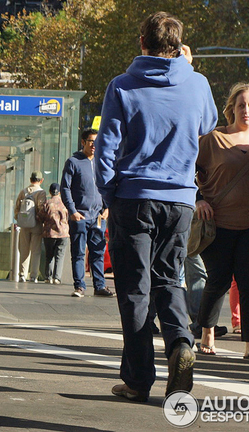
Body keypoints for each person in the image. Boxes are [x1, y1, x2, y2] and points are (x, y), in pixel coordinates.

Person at [94, 11, 218, 401]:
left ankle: (137, 379)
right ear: (178, 45)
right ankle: (181, 342)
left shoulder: (123, 86)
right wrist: (189, 69)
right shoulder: (196, 83)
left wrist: (110, 193)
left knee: (134, 289)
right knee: (169, 278)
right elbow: (208, 122)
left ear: (142, 43)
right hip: (180, 200)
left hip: (133, 198)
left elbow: (105, 149)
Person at [195, 82, 249, 359]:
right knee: (218, 280)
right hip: (218, 225)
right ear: (232, 109)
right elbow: (184, 168)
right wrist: (197, 199)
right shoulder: (214, 139)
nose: (247, 110)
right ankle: (207, 332)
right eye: (242, 105)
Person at [61, 128, 113, 298]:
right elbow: (65, 188)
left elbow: (108, 186)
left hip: (98, 216)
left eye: (96, 142)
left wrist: (107, 208)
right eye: (91, 141)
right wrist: (73, 211)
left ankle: (100, 286)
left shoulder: (102, 162)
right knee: (78, 253)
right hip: (80, 216)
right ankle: (79, 286)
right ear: (83, 142)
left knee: (98, 251)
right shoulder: (73, 162)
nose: (94, 145)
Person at [14, 171, 47, 282]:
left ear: (30, 179)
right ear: (41, 180)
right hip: (36, 225)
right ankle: (33, 276)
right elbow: (42, 209)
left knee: (24, 250)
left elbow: (17, 208)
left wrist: (20, 220)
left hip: (24, 225)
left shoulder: (23, 192)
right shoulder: (41, 193)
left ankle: (22, 274)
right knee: (35, 251)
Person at [41, 183, 69, 285]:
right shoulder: (65, 204)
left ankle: (48, 277)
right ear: (60, 192)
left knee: (49, 255)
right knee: (59, 256)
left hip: (49, 233)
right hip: (63, 233)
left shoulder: (47, 203)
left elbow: (40, 217)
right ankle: (57, 278)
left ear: (50, 192)